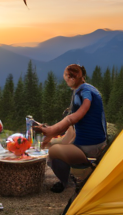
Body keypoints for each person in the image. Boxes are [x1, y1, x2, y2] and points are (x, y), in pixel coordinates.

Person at [33, 64, 107, 193]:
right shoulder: (87, 89)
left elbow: (74, 117)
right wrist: (49, 135)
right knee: (54, 146)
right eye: (68, 75)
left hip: (91, 147)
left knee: (54, 151)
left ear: (80, 76)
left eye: (71, 75)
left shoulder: (84, 92)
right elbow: (71, 127)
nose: (69, 78)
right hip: (94, 143)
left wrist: (51, 131)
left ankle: (70, 182)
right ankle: (69, 179)